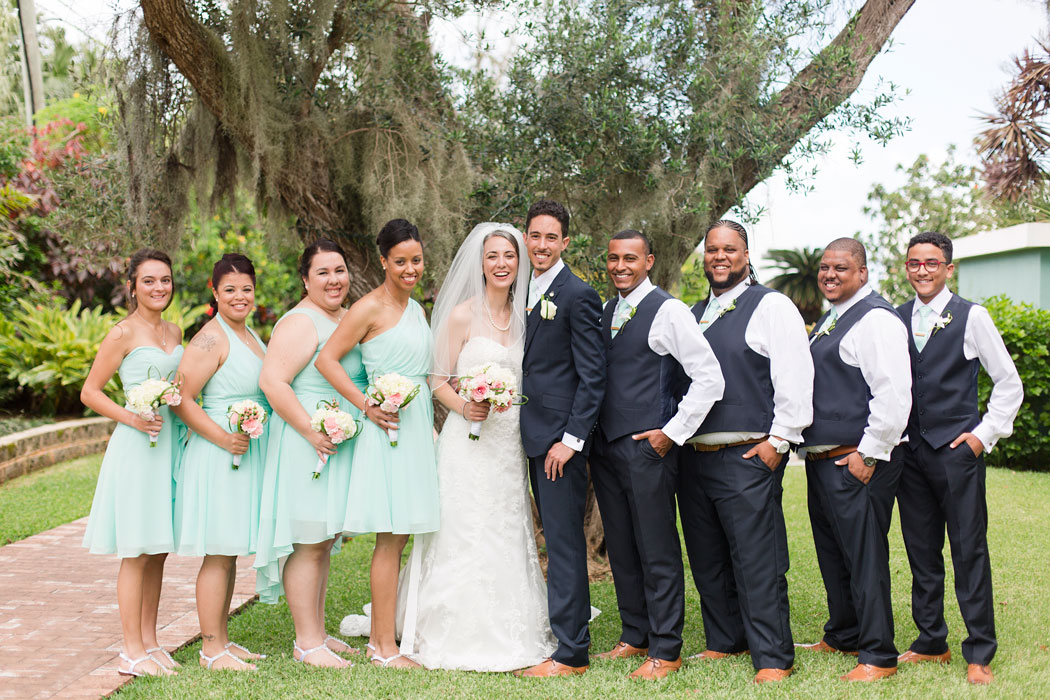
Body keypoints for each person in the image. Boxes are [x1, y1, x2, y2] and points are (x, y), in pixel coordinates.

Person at [389, 222, 557, 671]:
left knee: (505, 527)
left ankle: (511, 623)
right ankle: (443, 624)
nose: (501, 264)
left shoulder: (529, 316)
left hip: (506, 446)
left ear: (519, 263)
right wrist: (465, 406)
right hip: (466, 444)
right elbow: (436, 380)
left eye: (509, 256)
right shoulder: (462, 315)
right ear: (480, 264)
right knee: (461, 530)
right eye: (492, 257)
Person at [677, 220, 812, 684]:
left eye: (729, 249)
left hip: (747, 455)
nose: (719, 257)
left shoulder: (771, 305)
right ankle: (725, 640)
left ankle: (774, 656)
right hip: (694, 457)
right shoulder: (694, 312)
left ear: (746, 253)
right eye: (712, 249)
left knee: (758, 558)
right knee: (708, 555)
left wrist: (779, 442)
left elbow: (794, 376)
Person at [590, 230, 724, 681]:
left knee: (657, 547)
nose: (620, 266)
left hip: (648, 449)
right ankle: (635, 634)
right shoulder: (607, 309)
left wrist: (672, 433)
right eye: (613, 258)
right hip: (606, 448)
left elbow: (709, 378)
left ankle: (666, 649)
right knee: (623, 547)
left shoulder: (669, 310)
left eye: (630, 258)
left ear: (649, 261)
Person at [894, 232, 1022, 686]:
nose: (922, 270)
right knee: (920, 552)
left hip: (956, 454)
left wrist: (981, 437)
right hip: (909, 455)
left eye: (932, 263)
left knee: (969, 550)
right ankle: (931, 642)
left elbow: (1009, 383)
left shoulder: (972, 317)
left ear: (949, 268)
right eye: (914, 263)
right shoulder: (894, 318)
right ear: (906, 268)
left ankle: (980, 651)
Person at [316, 219, 439, 670]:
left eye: (416, 260)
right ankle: (381, 646)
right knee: (389, 539)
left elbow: (424, 377)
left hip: (415, 429)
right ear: (383, 261)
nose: (410, 269)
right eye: (401, 261)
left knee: (402, 533)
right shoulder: (367, 308)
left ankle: (387, 640)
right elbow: (327, 359)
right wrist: (366, 405)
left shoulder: (418, 311)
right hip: (386, 433)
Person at [798, 238, 911, 682]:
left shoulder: (876, 320)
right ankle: (844, 633)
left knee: (864, 557)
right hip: (824, 459)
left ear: (862, 272)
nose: (829, 274)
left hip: (858, 460)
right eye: (825, 267)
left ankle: (879, 654)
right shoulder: (833, 318)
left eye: (840, 268)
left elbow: (894, 393)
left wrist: (868, 454)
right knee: (834, 554)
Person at [256, 240, 362, 668]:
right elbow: (273, 382)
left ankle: (318, 632)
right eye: (323, 272)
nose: (334, 280)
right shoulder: (300, 322)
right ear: (305, 279)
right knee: (307, 543)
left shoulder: (342, 318)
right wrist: (311, 432)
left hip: (334, 441)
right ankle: (306, 642)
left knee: (324, 539)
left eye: (339, 270)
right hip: (308, 445)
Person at [81, 249, 184, 677]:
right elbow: (90, 391)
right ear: (132, 287)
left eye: (165, 280)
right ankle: (130, 650)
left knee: (158, 549)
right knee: (137, 551)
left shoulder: (176, 330)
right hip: (138, 449)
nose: (159, 288)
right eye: (149, 281)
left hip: (170, 447)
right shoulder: (122, 333)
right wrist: (133, 418)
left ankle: (150, 641)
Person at [514, 200, 605, 678]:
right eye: (535, 236)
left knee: (565, 545)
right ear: (525, 238)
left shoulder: (577, 295)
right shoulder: (518, 291)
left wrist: (570, 440)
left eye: (552, 237)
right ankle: (556, 634)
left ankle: (572, 652)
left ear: (565, 242)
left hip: (557, 447)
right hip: (523, 440)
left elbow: (593, 377)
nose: (542, 245)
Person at [171, 254, 268, 671]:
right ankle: (211, 648)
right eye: (229, 289)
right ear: (214, 292)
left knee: (229, 551)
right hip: (218, 454)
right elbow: (181, 400)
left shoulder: (249, 335)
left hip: (242, 451)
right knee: (218, 552)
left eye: (245, 288)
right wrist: (224, 438)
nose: (239, 296)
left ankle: (224, 641)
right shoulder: (210, 339)